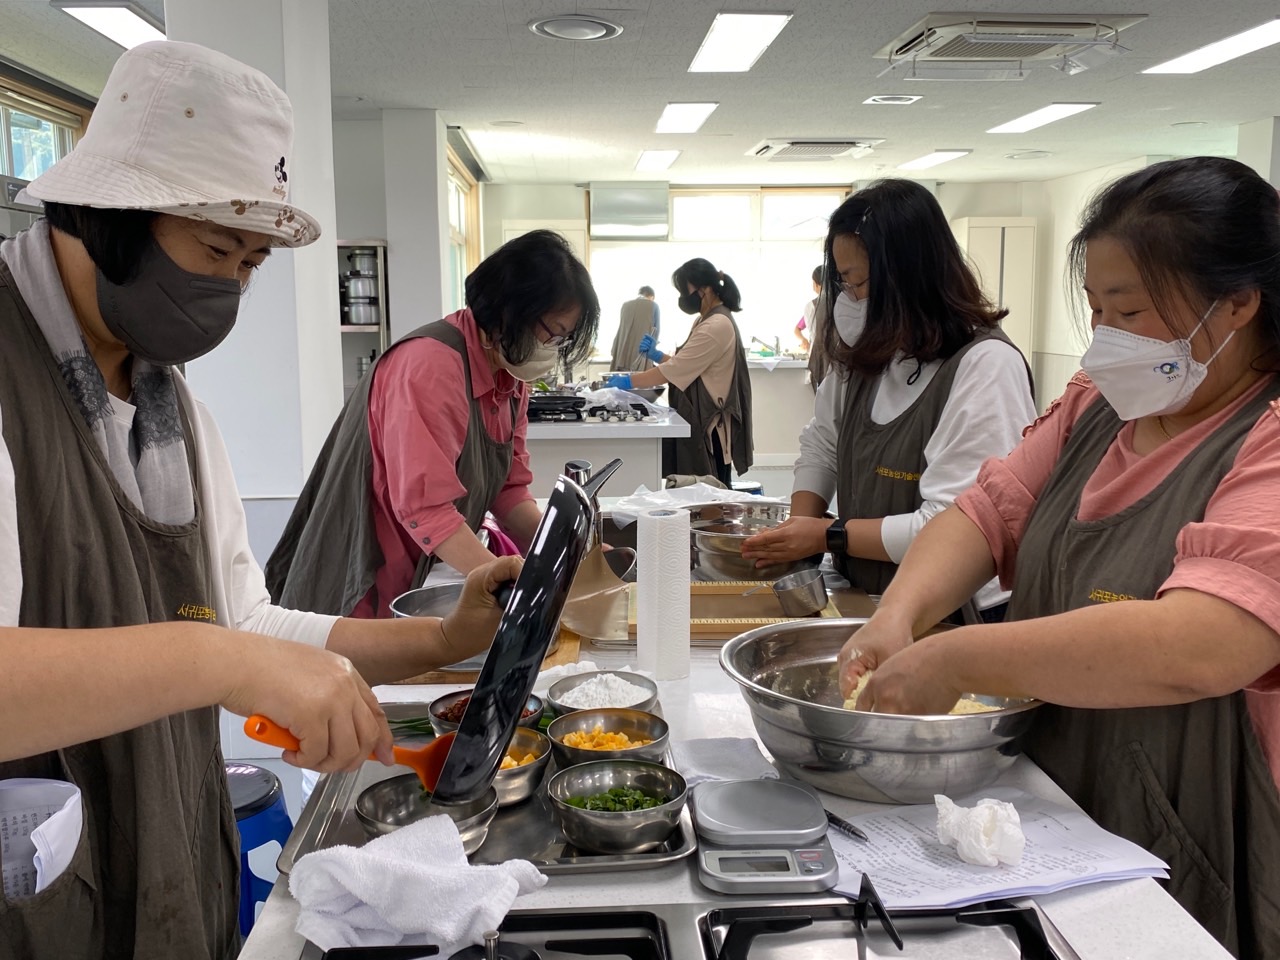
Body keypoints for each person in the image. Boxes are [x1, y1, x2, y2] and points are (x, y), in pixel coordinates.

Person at [0, 41, 519, 958]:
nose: (229, 291)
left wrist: (439, 643)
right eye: (214, 249)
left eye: (250, 264)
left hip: (164, 854)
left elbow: (245, 621)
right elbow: (217, 652)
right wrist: (216, 662)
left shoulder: (172, 409)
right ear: (110, 212)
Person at [838, 157, 1280, 958]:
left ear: (1241, 302)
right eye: (1094, 307)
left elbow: (1205, 643)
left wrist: (957, 657)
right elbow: (986, 511)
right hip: (1056, 802)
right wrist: (900, 614)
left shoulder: (1268, 436)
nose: (1106, 335)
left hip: (1196, 826)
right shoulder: (1097, 405)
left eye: (1132, 310)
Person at [742, 180, 1036, 620]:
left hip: (955, 611)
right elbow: (823, 442)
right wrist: (795, 534)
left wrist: (827, 535)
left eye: (859, 284)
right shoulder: (871, 351)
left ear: (911, 278)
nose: (851, 300)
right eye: (844, 283)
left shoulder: (985, 367)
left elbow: (949, 527)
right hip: (871, 594)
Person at [266, 230, 598, 618]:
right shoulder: (432, 366)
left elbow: (508, 490)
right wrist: (514, 587)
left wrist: (565, 548)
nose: (553, 348)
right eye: (553, 334)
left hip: (415, 567)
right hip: (361, 579)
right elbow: (428, 511)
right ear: (510, 311)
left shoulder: (509, 376)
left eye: (564, 338)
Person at [605, 258, 753, 486]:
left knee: (710, 495)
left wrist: (626, 381)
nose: (683, 298)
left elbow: (673, 370)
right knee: (694, 492)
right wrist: (657, 356)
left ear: (705, 289)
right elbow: (686, 363)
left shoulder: (716, 325)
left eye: (685, 291)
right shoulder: (704, 320)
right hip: (699, 415)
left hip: (711, 425)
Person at [609, 285, 660, 372]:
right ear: (652, 296)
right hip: (641, 357)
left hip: (621, 355)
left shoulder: (625, 305)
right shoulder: (653, 306)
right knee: (639, 382)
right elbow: (656, 331)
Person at [794, 264, 822, 353]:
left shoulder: (811, 307)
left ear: (816, 284)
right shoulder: (841, 303)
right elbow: (797, 329)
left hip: (817, 355)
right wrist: (803, 340)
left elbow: (796, 329)